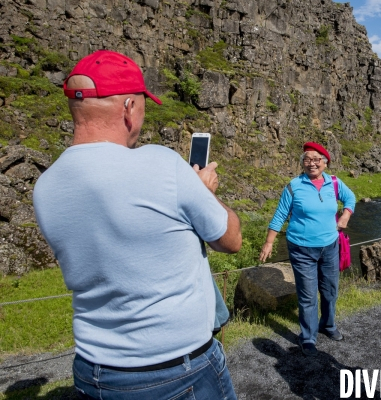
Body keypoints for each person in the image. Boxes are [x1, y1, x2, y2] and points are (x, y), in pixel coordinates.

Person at [33, 50, 242, 400]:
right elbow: (231, 238)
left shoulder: (46, 186)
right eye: (144, 104)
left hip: (93, 371)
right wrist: (204, 192)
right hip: (177, 371)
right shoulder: (161, 163)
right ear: (129, 107)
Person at [259, 142, 356, 357]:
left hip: (330, 246)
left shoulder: (335, 183)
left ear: (325, 162)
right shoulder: (294, 185)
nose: (311, 163)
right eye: (307, 159)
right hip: (301, 249)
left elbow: (350, 198)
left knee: (330, 290)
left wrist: (346, 214)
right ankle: (308, 337)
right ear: (302, 163)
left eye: (316, 159)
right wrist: (269, 242)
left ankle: (328, 326)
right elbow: (280, 215)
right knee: (307, 295)